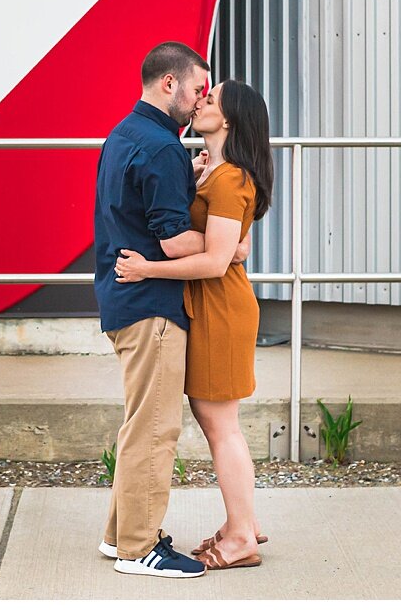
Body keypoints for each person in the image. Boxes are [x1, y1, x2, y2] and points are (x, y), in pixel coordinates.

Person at [92, 41, 250, 580]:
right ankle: (140, 548)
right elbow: (176, 239)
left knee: (140, 424)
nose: (199, 98)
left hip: (122, 301)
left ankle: (121, 536)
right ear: (170, 85)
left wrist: (194, 179)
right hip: (153, 306)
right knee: (156, 430)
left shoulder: (124, 134)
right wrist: (225, 245)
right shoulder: (160, 147)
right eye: (197, 89)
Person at [115, 79, 274, 572]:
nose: (200, 101)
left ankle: (243, 535)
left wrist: (148, 269)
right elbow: (225, 246)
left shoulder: (230, 179)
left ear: (228, 119)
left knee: (222, 427)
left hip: (221, 308)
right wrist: (226, 240)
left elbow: (212, 262)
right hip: (208, 306)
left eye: (211, 99)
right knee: (216, 427)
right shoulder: (212, 172)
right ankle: (238, 524)